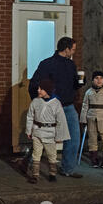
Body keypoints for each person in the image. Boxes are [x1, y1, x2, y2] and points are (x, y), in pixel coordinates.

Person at [29, 37, 85, 178]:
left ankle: (67, 168)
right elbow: (35, 84)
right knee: (44, 136)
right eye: (72, 49)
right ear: (66, 49)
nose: (73, 52)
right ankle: (31, 163)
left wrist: (80, 82)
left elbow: (73, 84)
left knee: (73, 137)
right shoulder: (47, 64)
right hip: (52, 106)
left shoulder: (71, 65)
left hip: (68, 106)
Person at [26, 79, 70, 183]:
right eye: (38, 88)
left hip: (49, 133)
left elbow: (61, 121)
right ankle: (35, 175)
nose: (38, 90)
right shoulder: (36, 101)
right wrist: (29, 130)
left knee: (51, 154)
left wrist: (59, 136)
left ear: (47, 90)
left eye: (41, 89)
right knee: (36, 154)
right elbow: (30, 116)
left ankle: (52, 173)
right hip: (37, 132)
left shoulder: (56, 103)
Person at [79, 71, 103, 169]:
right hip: (91, 117)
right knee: (92, 139)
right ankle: (94, 160)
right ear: (93, 80)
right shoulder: (89, 92)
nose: (99, 80)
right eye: (96, 78)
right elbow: (85, 106)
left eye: (101, 78)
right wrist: (83, 120)